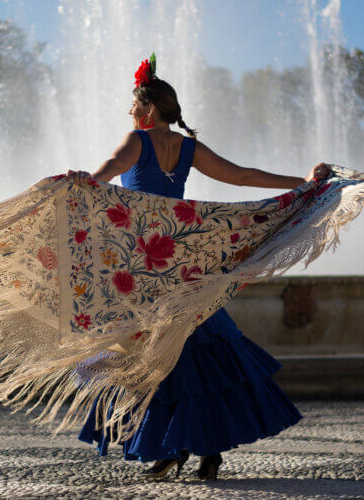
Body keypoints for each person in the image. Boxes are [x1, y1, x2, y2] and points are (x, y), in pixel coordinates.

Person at [71, 55, 328, 480]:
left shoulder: (137, 140)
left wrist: (87, 181)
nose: (131, 114)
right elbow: (243, 177)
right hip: (182, 259)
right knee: (199, 349)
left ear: (148, 111)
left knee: (154, 355)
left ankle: (173, 447)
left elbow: (112, 169)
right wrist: (301, 183)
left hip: (148, 266)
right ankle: (203, 450)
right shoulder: (188, 148)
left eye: (134, 108)